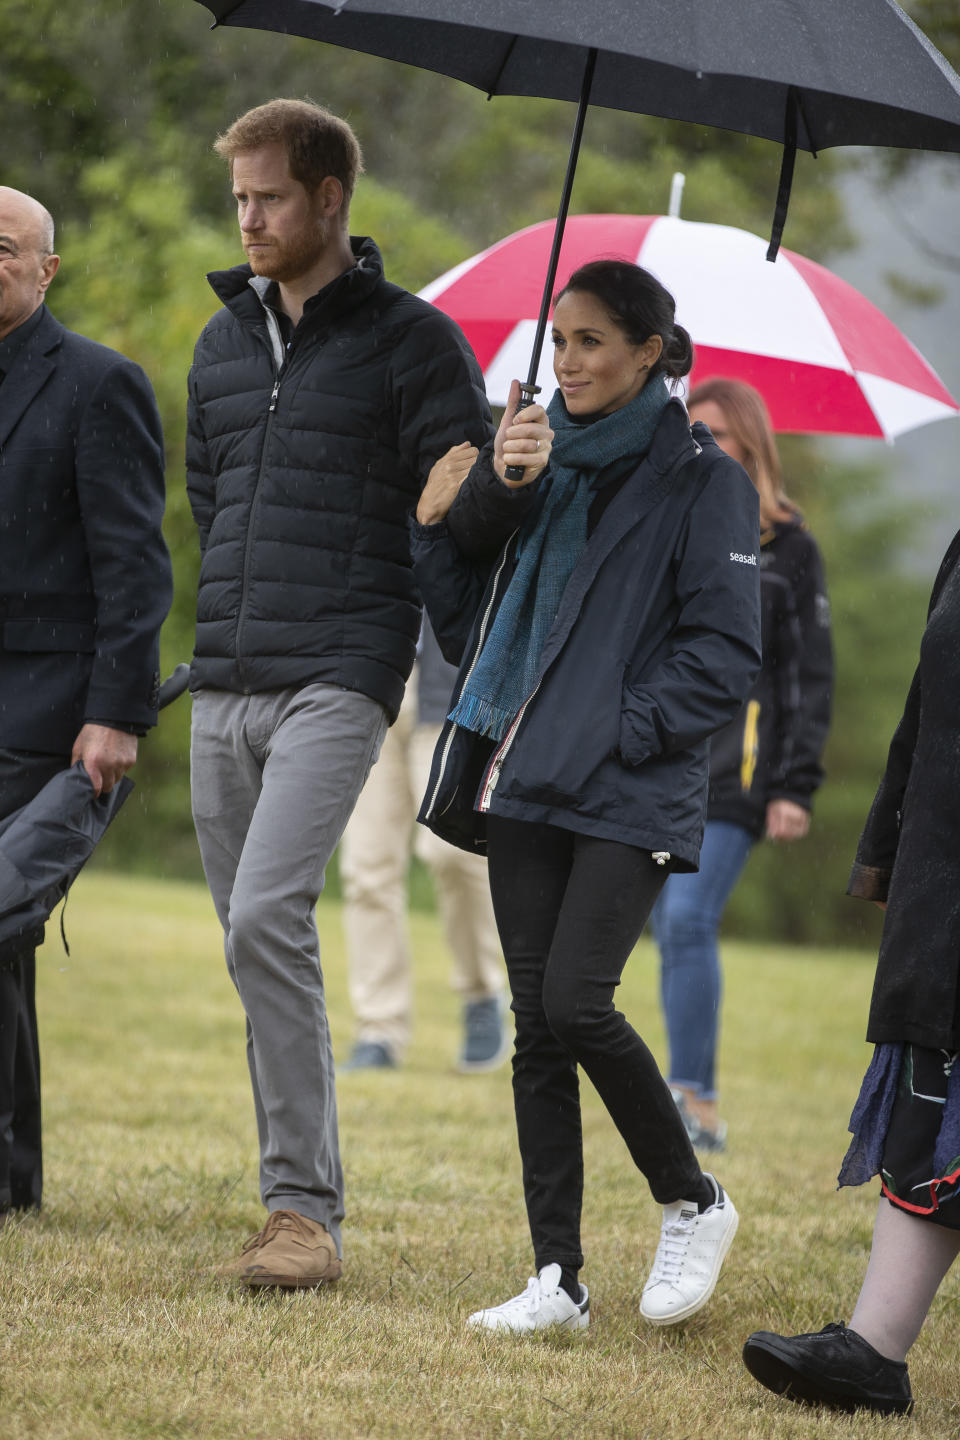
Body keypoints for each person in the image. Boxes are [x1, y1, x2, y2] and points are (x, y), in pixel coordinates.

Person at [410, 259, 762, 1332]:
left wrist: (620, 728)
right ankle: (556, 1278)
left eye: (593, 340)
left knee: (577, 1001)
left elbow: (724, 652)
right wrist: (491, 490)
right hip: (518, 769)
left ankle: (694, 1199)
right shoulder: (540, 458)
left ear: (651, 352)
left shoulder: (704, 477)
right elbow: (465, 613)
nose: (567, 360)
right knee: (537, 1028)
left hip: (626, 781)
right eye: (558, 339)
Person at [185, 99, 492, 1288]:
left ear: (328, 198)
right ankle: (292, 1200)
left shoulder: (415, 341)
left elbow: (463, 525)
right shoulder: (220, 346)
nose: (249, 218)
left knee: (268, 914)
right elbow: (217, 507)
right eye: (239, 199)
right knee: (252, 939)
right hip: (226, 676)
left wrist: (504, 479)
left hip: (346, 669)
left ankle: (305, 1219)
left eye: (267, 197)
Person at [743, 529, 960, 1417]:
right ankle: (875, 1351)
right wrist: (885, 853)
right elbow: (927, 703)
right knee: (934, 1097)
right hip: (947, 872)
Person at [0, 186, 172, 1223]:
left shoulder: (100, 384)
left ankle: (10, 1176)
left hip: (48, 710)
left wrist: (116, 712)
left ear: (46, 268)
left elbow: (135, 567)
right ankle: (13, 1181)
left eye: (3, 249)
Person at [651, 378, 833, 1151]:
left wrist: (795, 784)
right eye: (692, 432)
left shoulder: (790, 548)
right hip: (666, 761)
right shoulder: (670, 530)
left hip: (742, 776)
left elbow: (807, 674)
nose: (702, 448)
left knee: (689, 919)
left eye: (716, 435)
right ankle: (681, 1089)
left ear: (751, 446)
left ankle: (697, 1101)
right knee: (667, 926)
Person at [339, 616, 508, 1074]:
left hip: (449, 678)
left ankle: (481, 990)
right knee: (366, 868)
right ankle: (379, 1029)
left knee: (451, 852)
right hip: (370, 675)